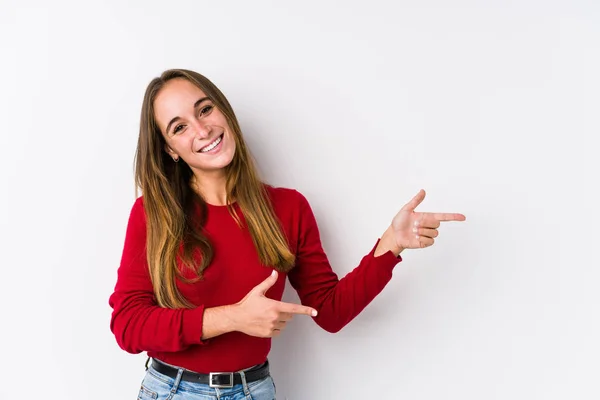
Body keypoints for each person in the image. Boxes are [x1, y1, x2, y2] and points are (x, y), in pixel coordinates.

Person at [108, 68, 466, 400]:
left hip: (255, 389)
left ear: (224, 112)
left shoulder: (287, 208)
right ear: (170, 149)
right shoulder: (154, 214)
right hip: (175, 390)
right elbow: (127, 324)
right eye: (179, 127)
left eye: (204, 110)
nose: (202, 130)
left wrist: (390, 245)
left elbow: (328, 312)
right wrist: (232, 317)